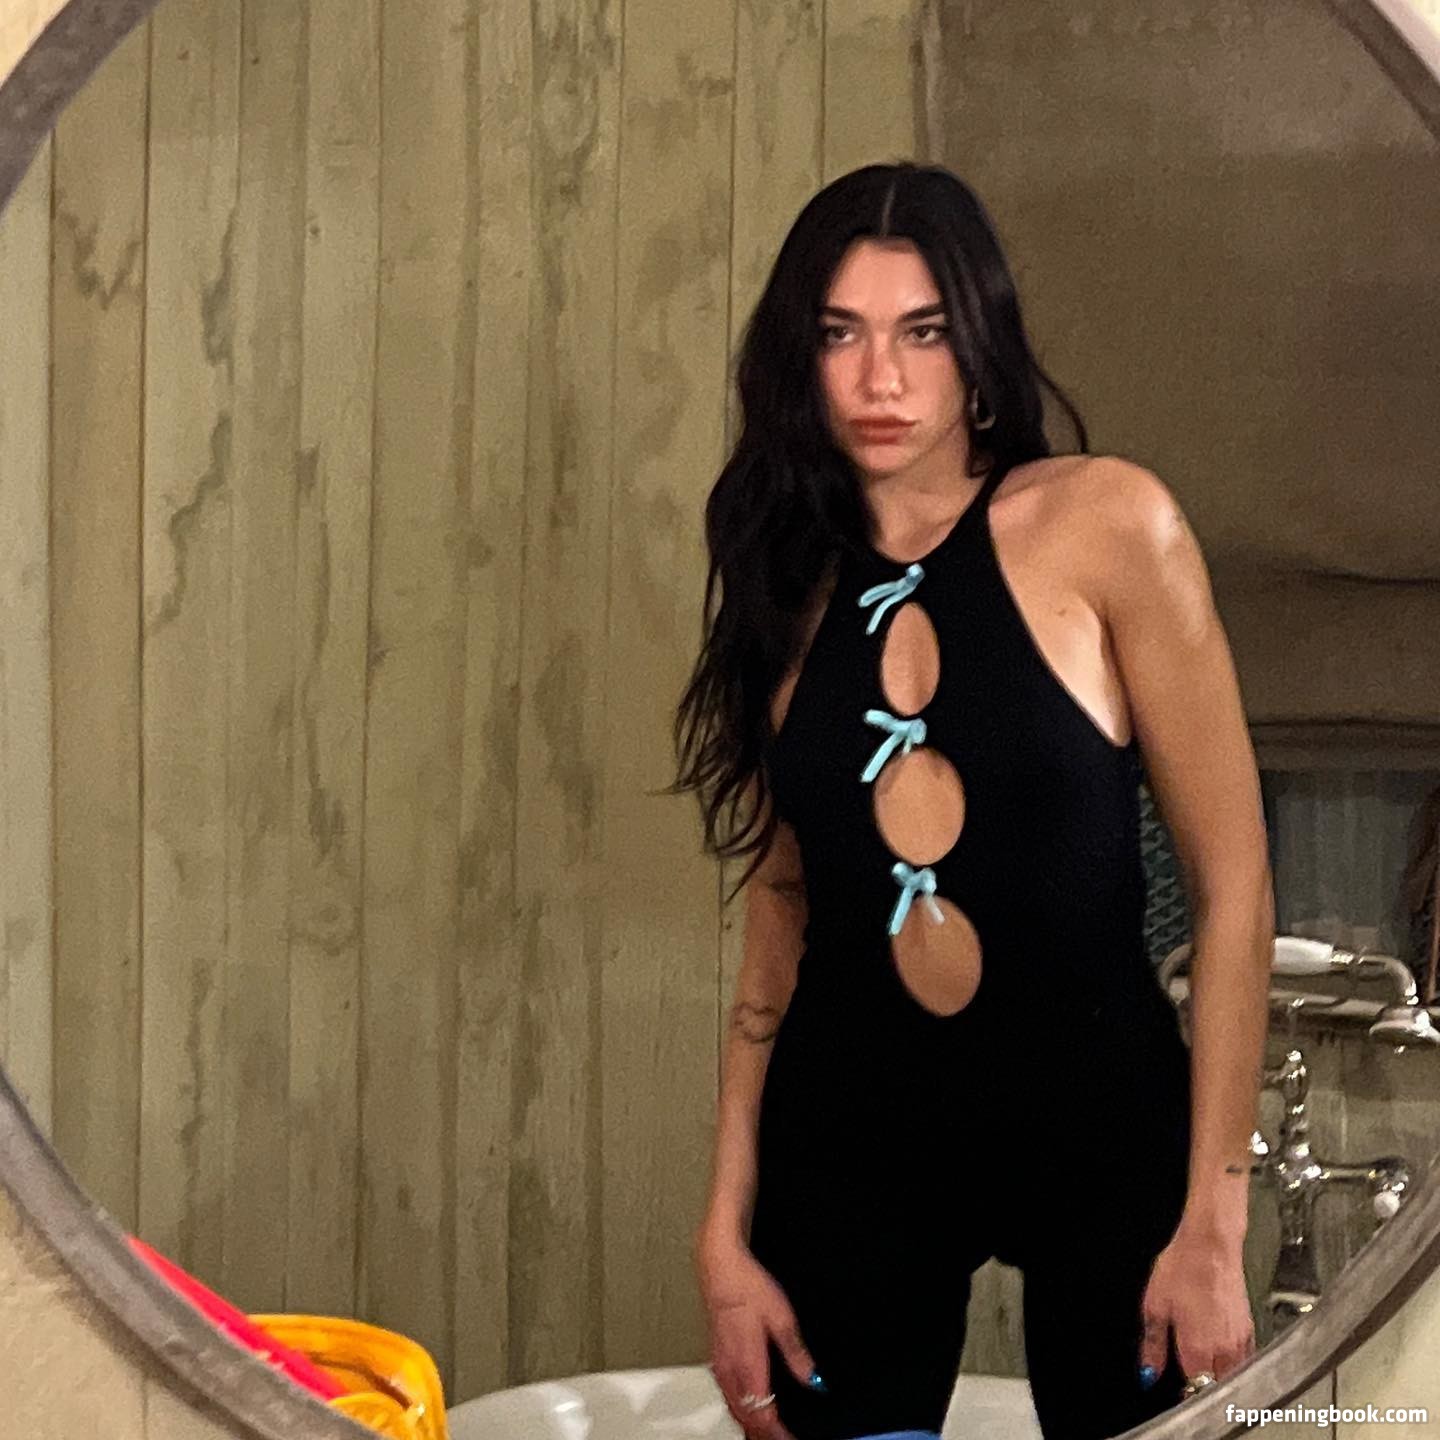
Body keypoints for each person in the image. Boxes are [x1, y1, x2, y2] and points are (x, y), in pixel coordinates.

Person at [671, 162, 1274, 1440]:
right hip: (851, 1143)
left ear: (981, 344)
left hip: (1105, 1138)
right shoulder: (787, 579)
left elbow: (1234, 890)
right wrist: (724, 1229)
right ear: (798, 358)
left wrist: (1215, 1221)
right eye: (841, 334)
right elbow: (780, 910)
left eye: (923, 332)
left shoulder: (1108, 525)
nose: (881, 380)